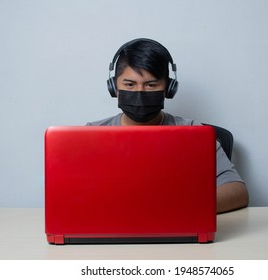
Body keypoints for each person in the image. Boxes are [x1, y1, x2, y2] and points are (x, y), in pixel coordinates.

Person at [87, 38, 249, 213]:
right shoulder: (90, 135)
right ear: (114, 87)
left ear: (169, 88)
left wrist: (174, 208)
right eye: (129, 84)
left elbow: (237, 191)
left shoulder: (194, 133)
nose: (140, 92)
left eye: (151, 85)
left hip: (178, 225)